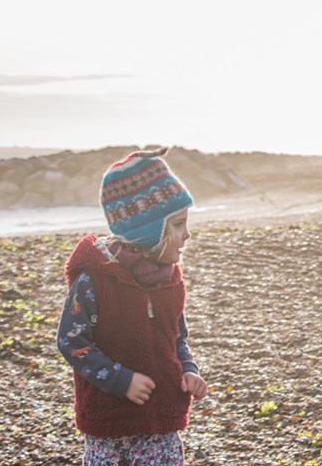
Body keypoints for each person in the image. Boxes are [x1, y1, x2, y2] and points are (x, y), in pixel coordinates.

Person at [56, 147, 208, 463]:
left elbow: (176, 339)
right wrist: (119, 379)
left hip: (161, 422)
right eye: (178, 225)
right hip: (109, 426)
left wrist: (188, 369)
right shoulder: (95, 281)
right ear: (148, 232)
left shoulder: (170, 282)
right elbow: (72, 341)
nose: (188, 234)